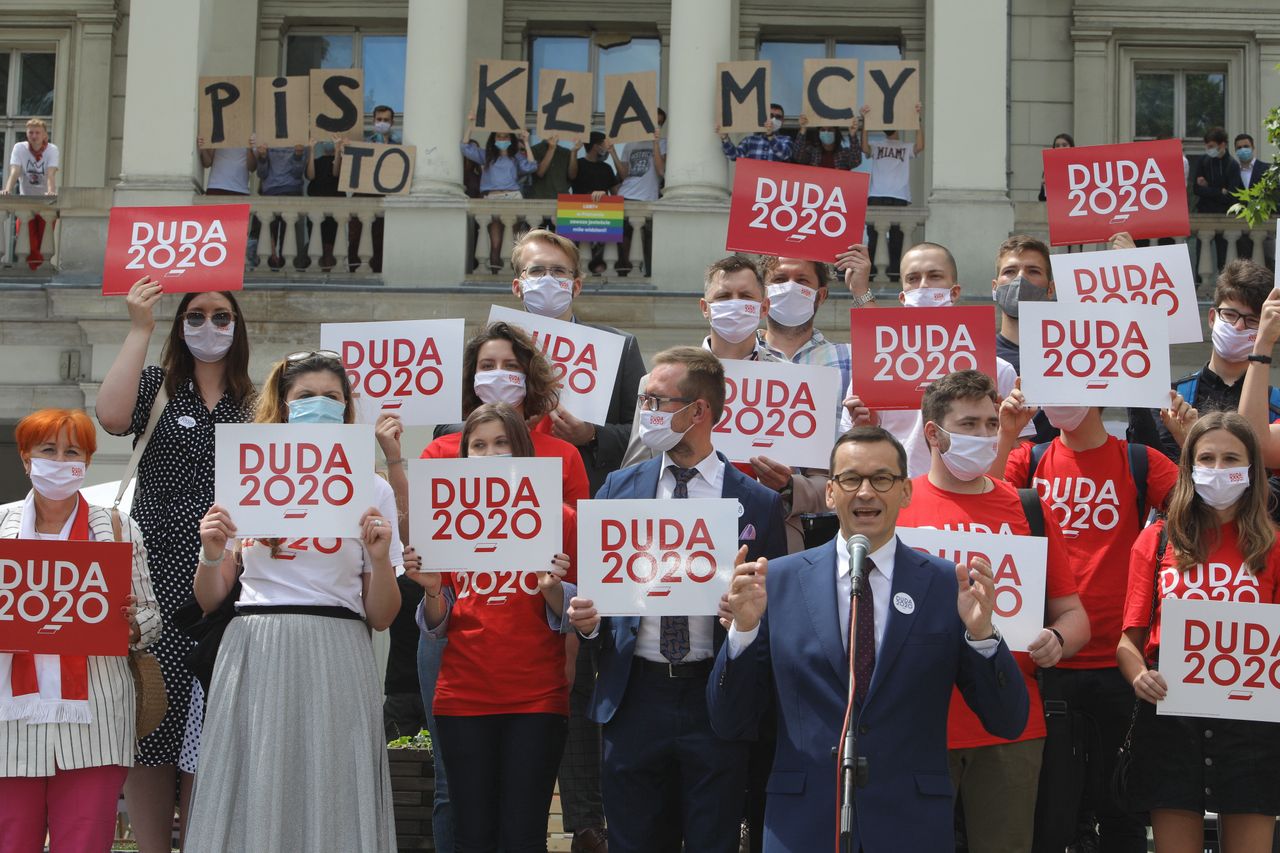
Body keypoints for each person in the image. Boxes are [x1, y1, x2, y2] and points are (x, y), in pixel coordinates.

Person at [709, 425, 1029, 852]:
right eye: (850, 479)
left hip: (911, 824)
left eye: (882, 479)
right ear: (830, 492)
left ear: (906, 492)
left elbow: (1007, 720)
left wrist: (983, 636)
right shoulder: (779, 582)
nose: (865, 493)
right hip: (805, 824)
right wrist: (744, 633)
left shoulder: (944, 584)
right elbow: (729, 720)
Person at [566, 346, 788, 853]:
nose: (645, 412)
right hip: (634, 696)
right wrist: (589, 622)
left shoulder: (757, 501)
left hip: (716, 697)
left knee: (712, 841)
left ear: (699, 412)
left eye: (656, 401)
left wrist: (745, 624)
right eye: (644, 399)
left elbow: (774, 613)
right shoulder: (618, 490)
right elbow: (598, 599)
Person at [186, 350, 403, 853]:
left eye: (331, 397)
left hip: (337, 643)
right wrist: (212, 551)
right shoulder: (243, 477)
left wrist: (379, 555)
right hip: (255, 642)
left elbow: (382, 614)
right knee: (254, 779)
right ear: (282, 406)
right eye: (306, 397)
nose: (319, 405)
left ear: (347, 407)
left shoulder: (372, 488)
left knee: (333, 785)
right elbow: (211, 597)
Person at [896, 371, 1088, 853]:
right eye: (970, 425)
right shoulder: (896, 505)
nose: (985, 435)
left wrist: (1058, 641)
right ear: (933, 433)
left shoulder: (1028, 508)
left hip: (1011, 723)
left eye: (989, 424)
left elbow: (1074, 615)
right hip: (917, 722)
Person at [96, 275, 254, 853]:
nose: (208, 326)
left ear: (237, 329)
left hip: (229, 583)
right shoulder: (158, 388)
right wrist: (140, 326)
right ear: (178, 325)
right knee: (153, 725)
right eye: (195, 315)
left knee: (208, 729)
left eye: (221, 316)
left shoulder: (258, 403)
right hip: (154, 580)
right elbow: (110, 417)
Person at [996, 397, 1183, 853]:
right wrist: (1006, 433)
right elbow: (984, 508)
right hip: (1048, 663)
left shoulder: (1140, 460)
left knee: (1122, 811)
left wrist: (1184, 440)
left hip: (1123, 666)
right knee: (1052, 816)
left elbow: (1204, 515)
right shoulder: (1027, 458)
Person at [409, 403, 576, 852]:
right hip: (463, 695)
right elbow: (439, 623)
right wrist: (430, 591)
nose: (489, 453)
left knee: (522, 835)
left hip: (537, 696)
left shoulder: (561, 518)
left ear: (521, 448)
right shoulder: (446, 519)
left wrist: (553, 591)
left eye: (501, 442)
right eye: (478, 445)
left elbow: (584, 612)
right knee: (473, 834)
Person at [1118, 411, 1280, 853]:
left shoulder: (1274, 545)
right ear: (1189, 467)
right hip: (1172, 718)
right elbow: (1128, 642)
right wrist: (1138, 677)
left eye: (1232, 458)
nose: (1218, 469)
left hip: (1252, 725)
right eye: (1206, 458)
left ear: (1252, 469)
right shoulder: (1157, 540)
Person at [0, 408, 161, 851]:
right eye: (48, 449)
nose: (60, 459)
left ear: (86, 463)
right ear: (26, 459)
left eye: (72, 451)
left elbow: (152, 619)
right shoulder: (0, 525)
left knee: (85, 842)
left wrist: (132, 624)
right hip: (9, 722)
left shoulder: (117, 527)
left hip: (95, 721)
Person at [841, 241, 1029, 478]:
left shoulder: (997, 370)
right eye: (913, 279)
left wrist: (1000, 427)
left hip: (972, 497)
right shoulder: (871, 368)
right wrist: (865, 427)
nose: (923, 285)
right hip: (898, 495)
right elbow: (851, 444)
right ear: (902, 296)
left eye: (934, 276)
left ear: (955, 292)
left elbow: (1017, 451)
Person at [509, 228, 646, 495]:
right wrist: (505, 424)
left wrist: (592, 435)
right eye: (536, 271)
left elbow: (645, 429)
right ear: (518, 286)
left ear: (576, 286)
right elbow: (448, 427)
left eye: (559, 271)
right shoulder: (490, 349)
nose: (548, 278)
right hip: (508, 495)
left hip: (590, 496)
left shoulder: (618, 346)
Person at [421, 320, 590, 503]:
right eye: (487, 366)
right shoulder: (438, 452)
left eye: (511, 365)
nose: (498, 374)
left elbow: (576, 528)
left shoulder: (564, 455)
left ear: (529, 377)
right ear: (473, 377)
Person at [1130, 260, 1276, 462]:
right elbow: (1157, 475)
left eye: (1252, 320)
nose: (1239, 326)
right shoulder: (1172, 399)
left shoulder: (1275, 405)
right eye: (1230, 314)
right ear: (1212, 318)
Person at [991, 234, 1060, 444]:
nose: (1020, 278)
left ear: (1050, 289)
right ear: (995, 288)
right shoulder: (978, 356)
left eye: (1033, 271)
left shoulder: (1072, 356)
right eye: (1010, 271)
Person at [461, 120, 538, 273]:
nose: (502, 140)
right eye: (499, 137)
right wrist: (470, 125)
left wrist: (526, 142)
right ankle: (496, 275)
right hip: (492, 200)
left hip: (513, 198)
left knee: (514, 243)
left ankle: (514, 276)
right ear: (493, 139)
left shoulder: (516, 157)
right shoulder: (487, 156)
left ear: (511, 140)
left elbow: (532, 166)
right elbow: (464, 147)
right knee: (495, 243)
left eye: (505, 137)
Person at [860, 103, 924, 281]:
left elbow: (920, 146)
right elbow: (864, 148)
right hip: (877, 194)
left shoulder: (905, 146)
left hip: (899, 195)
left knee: (897, 238)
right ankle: (872, 273)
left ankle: (895, 274)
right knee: (873, 237)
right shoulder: (877, 145)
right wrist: (866, 122)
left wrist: (916, 121)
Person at [610, 109, 666, 275]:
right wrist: (613, 152)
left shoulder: (663, 143)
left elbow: (661, 170)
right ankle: (625, 271)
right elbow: (624, 174)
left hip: (647, 197)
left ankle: (643, 272)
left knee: (645, 239)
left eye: (659, 123)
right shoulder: (630, 144)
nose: (654, 125)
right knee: (623, 238)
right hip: (625, 195)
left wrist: (655, 142)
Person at [1, 118, 59, 269]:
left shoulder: (52, 150)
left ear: (45, 135)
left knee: (43, 241)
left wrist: (51, 192)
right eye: (31, 132)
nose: (34, 136)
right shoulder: (20, 148)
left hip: (44, 203)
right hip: (26, 201)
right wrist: (7, 189)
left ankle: (38, 271)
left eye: (38, 133)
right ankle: (33, 270)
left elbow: (51, 173)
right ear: (27, 134)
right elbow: (15, 171)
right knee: (28, 240)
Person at [252, 142, 308, 270]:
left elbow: (298, 174)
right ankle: (271, 270)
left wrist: (298, 155)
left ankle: (286, 272)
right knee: (267, 240)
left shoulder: (300, 139)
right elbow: (262, 174)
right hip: (269, 193)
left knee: (288, 240)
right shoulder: (266, 138)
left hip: (292, 192)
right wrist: (263, 157)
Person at [570, 132, 618, 276]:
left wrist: (604, 196)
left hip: (601, 220)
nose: (606, 147)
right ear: (596, 146)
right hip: (580, 218)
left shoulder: (606, 168)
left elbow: (615, 193)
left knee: (599, 264)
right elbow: (572, 175)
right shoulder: (578, 164)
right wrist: (573, 152)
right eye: (604, 144)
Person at [1192, 126, 1234, 275]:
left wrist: (1208, 188)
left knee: (1224, 257)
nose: (1208, 149)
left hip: (1224, 216)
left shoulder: (1232, 164)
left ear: (1222, 145)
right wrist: (1219, 190)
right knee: (1200, 254)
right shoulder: (1203, 161)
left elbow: (1231, 195)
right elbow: (1196, 189)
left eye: (1211, 146)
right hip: (1204, 213)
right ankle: (1198, 285)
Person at [1227, 133, 1273, 266]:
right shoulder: (1232, 172)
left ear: (1253, 147)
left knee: (1267, 263)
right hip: (1240, 230)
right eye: (1239, 148)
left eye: (1246, 146)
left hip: (1263, 226)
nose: (1243, 150)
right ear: (1235, 151)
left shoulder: (1267, 169)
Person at [304, 136, 347, 271]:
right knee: (317, 242)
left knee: (330, 244)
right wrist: (311, 150)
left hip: (334, 206)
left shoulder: (340, 161)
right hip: (316, 206)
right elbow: (310, 176)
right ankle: (319, 270)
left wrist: (338, 150)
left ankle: (330, 270)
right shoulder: (316, 161)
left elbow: (336, 173)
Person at [719, 102, 794, 163]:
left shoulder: (786, 140)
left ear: (783, 121)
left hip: (773, 180)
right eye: (770, 115)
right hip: (752, 181)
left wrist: (770, 135)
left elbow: (784, 155)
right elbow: (734, 156)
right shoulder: (750, 140)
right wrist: (725, 138)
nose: (773, 119)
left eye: (778, 117)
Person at [792, 115, 861, 170]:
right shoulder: (812, 152)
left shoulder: (844, 153)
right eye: (823, 130)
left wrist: (853, 135)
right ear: (818, 133)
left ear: (836, 133)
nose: (826, 132)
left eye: (830, 130)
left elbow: (856, 161)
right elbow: (798, 157)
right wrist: (803, 129)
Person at [1037, 133, 1074, 201]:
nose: (1060, 148)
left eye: (1064, 145)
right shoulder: (1049, 169)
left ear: (1071, 147)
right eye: (1057, 145)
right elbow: (1042, 199)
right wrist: (1044, 186)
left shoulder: (1079, 167)